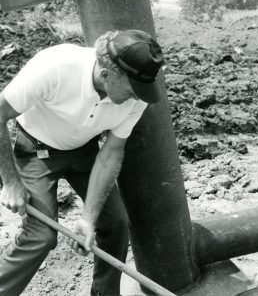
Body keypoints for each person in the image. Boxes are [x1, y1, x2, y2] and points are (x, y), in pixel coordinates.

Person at [0, 29, 164, 296]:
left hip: (84, 150)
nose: (137, 98)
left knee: (117, 223)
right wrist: (10, 182)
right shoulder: (54, 66)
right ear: (106, 75)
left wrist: (88, 219)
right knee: (41, 236)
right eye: (132, 91)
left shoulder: (137, 96)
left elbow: (111, 153)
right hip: (37, 148)